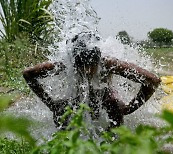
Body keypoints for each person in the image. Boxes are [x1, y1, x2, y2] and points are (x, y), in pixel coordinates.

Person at [23, 31, 161, 130]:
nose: (88, 72)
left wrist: (129, 108)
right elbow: (28, 74)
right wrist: (51, 104)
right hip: (77, 95)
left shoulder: (110, 64)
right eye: (82, 68)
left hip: (105, 94)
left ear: (99, 60)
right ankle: (64, 143)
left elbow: (153, 80)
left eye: (92, 67)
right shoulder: (64, 64)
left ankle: (115, 143)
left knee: (113, 105)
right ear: (73, 62)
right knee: (62, 111)